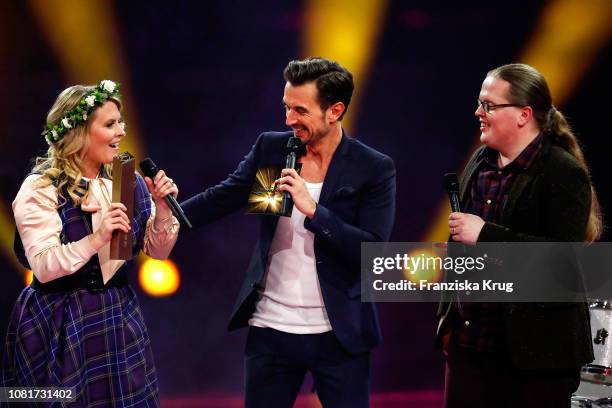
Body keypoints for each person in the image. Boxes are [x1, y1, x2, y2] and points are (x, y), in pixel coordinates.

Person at [181, 57, 396, 407]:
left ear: (335, 110)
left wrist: (314, 211)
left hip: (339, 335)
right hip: (271, 330)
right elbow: (223, 197)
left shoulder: (372, 167)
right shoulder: (273, 148)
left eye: (300, 110)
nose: (288, 119)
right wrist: (168, 220)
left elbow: (372, 253)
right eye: (286, 108)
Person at [1, 80, 180, 407]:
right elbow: (44, 266)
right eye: (110, 124)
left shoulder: (128, 180)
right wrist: (97, 238)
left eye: (121, 123)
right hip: (58, 317)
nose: (120, 132)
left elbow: (158, 251)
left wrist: (164, 209)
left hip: (116, 314)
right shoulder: (41, 188)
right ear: (79, 132)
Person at [437, 63, 602, 407]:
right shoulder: (480, 161)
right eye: (481, 103)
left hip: (534, 359)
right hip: (470, 348)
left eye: (489, 105)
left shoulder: (562, 172)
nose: (478, 112)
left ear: (524, 114)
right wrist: (448, 319)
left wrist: (486, 235)